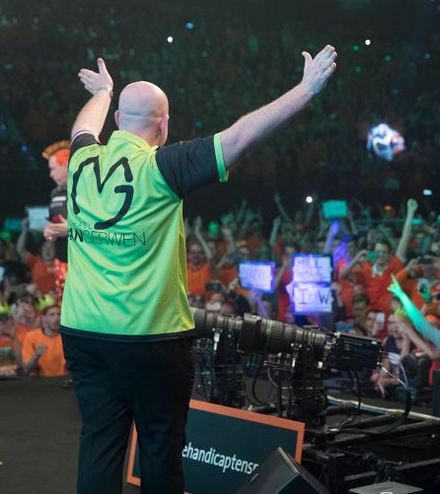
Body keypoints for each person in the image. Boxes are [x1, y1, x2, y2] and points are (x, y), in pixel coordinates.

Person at [61, 46, 336, 494]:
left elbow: (82, 127)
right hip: (148, 337)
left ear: (116, 123)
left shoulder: (80, 161)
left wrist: (106, 91)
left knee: (99, 441)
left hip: (83, 332)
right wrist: (304, 91)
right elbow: (241, 136)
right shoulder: (162, 167)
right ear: (165, 125)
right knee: (159, 445)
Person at [21, 300, 66, 376]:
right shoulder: (31, 336)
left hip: (64, 381)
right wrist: (36, 355)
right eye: (52, 315)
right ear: (44, 318)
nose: (57, 318)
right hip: (41, 383)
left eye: (59, 314)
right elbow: (26, 368)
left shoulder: (66, 337)